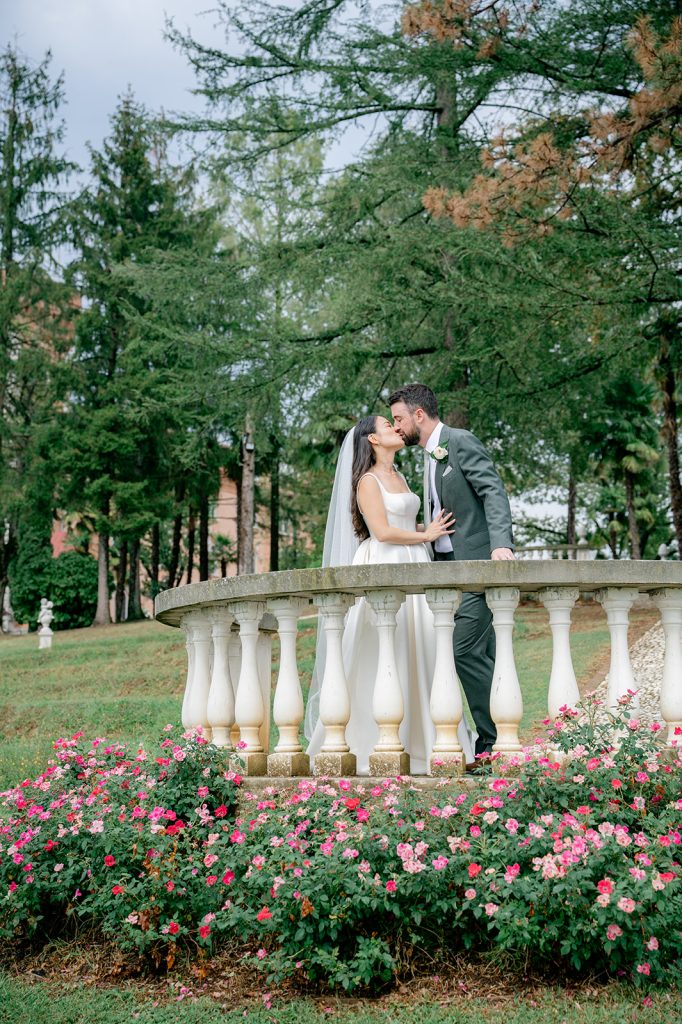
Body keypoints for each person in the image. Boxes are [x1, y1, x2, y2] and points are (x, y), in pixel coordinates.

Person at [305, 415, 476, 774]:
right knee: (385, 650)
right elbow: (381, 531)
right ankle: (371, 742)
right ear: (372, 440)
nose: (396, 429)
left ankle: (428, 741)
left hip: (413, 560)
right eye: (387, 425)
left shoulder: (398, 475)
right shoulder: (367, 481)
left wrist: (426, 530)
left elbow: (399, 522)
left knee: (423, 646)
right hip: (385, 562)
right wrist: (426, 535)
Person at [389, 383, 515, 763]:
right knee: (484, 653)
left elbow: (493, 490)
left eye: (399, 419)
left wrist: (500, 543)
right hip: (446, 573)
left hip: (477, 567)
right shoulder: (428, 457)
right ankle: (503, 737)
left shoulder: (459, 442)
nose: (396, 428)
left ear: (419, 416)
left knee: (463, 651)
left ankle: (490, 743)